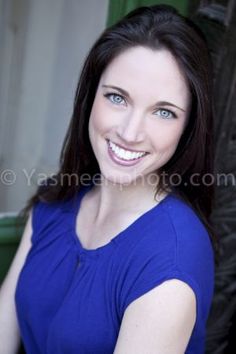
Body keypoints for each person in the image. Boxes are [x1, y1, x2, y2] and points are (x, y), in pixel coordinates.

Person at [0, 4, 218, 354]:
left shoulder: (171, 260)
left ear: (188, 127)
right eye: (117, 97)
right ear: (90, 97)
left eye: (163, 112)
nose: (131, 133)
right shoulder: (58, 199)